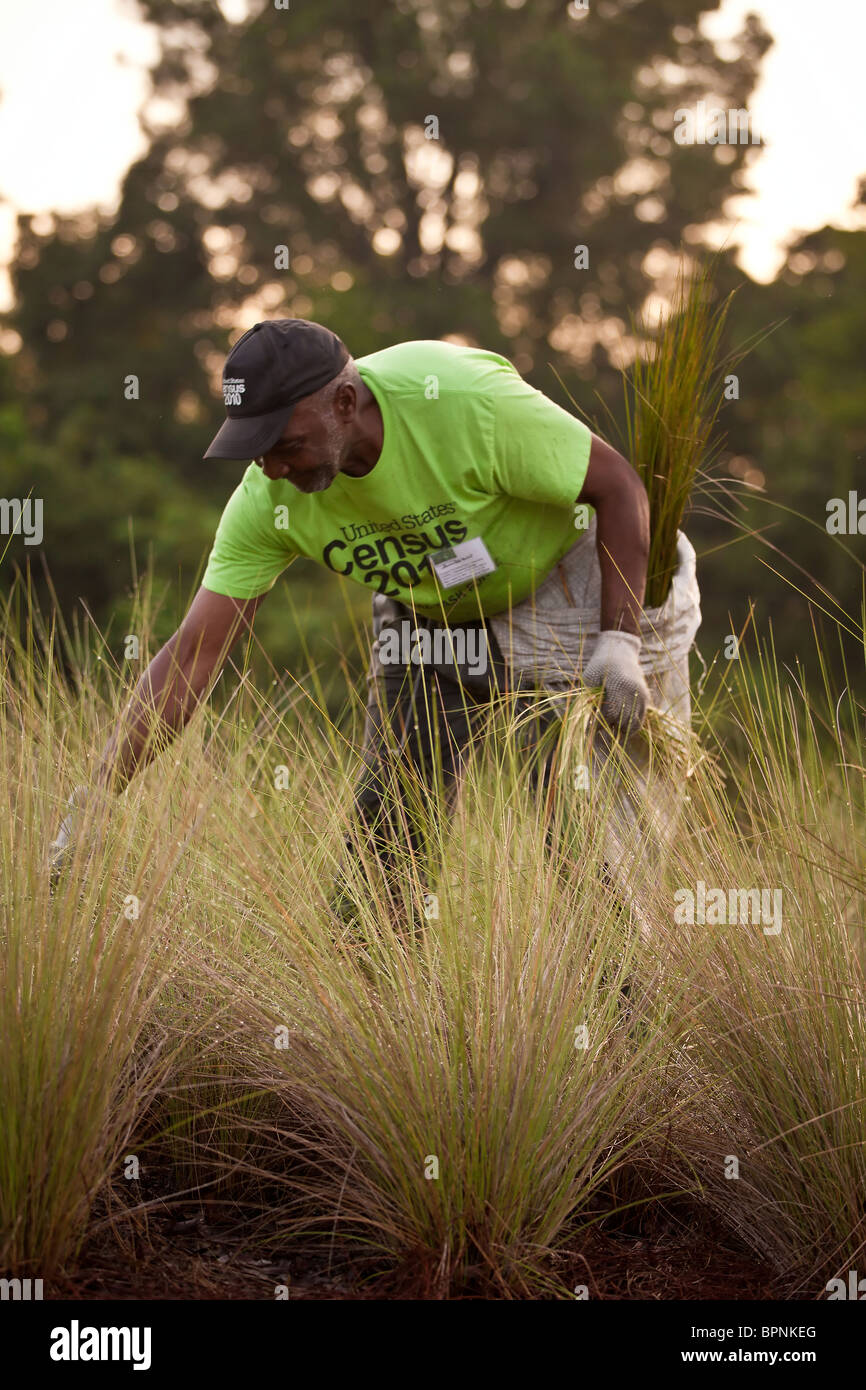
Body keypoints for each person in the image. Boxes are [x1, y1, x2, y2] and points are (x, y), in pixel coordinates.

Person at [50, 318, 699, 929]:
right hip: (431, 607)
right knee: (389, 823)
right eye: (255, 450)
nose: (273, 467)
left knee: (580, 832)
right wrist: (102, 794)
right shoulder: (269, 498)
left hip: (567, 588)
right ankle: (366, 1015)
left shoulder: (462, 402)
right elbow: (194, 653)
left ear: (344, 403)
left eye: (285, 444)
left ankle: (629, 1026)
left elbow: (619, 487)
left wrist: (618, 641)